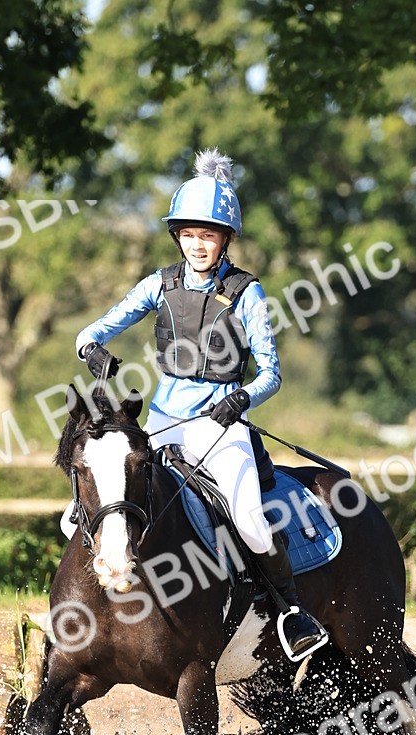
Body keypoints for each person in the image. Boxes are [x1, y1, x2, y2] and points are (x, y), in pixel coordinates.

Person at [74, 147, 327, 661]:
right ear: (176, 237)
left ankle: (290, 612)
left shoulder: (246, 293)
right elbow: (93, 329)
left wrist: (241, 400)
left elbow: (272, 375)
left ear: (225, 239)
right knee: (85, 505)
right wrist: (92, 347)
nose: (196, 245)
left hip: (219, 425)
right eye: (187, 235)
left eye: (207, 235)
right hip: (165, 423)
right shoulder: (159, 284)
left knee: (251, 518)